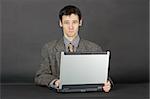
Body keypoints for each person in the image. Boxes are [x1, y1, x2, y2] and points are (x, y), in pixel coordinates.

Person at [34, 5, 113, 92]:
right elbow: (40, 75)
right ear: (60, 23)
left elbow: (105, 76)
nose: (70, 27)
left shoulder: (94, 48)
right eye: (66, 22)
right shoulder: (49, 48)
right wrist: (55, 82)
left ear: (80, 22)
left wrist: (108, 83)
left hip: (87, 94)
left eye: (74, 22)